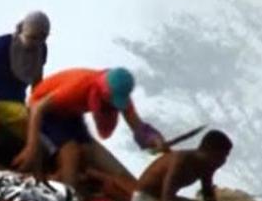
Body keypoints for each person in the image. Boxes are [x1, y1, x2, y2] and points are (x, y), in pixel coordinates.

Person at [12, 67, 166, 189]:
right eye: (110, 101)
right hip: (46, 111)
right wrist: (31, 147)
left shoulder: (119, 94)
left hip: (70, 113)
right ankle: (67, 195)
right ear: (103, 92)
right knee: (70, 151)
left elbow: (137, 125)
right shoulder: (79, 86)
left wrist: (153, 139)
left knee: (86, 151)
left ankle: (61, 179)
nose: (113, 106)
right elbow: (38, 107)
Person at [130, 129, 233, 201]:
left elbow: (209, 198)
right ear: (209, 152)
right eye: (222, 156)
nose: (223, 161)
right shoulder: (181, 161)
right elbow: (167, 198)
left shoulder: (207, 167)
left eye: (226, 157)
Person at [0, 11, 50, 137]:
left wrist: (36, 107)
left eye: (41, 39)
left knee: (46, 123)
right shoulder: (3, 43)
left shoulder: (41, 51)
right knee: (31, 124)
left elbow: (37, 84)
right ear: (24, 30)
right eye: (32, 37)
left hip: (18, 106)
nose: (35, 42)